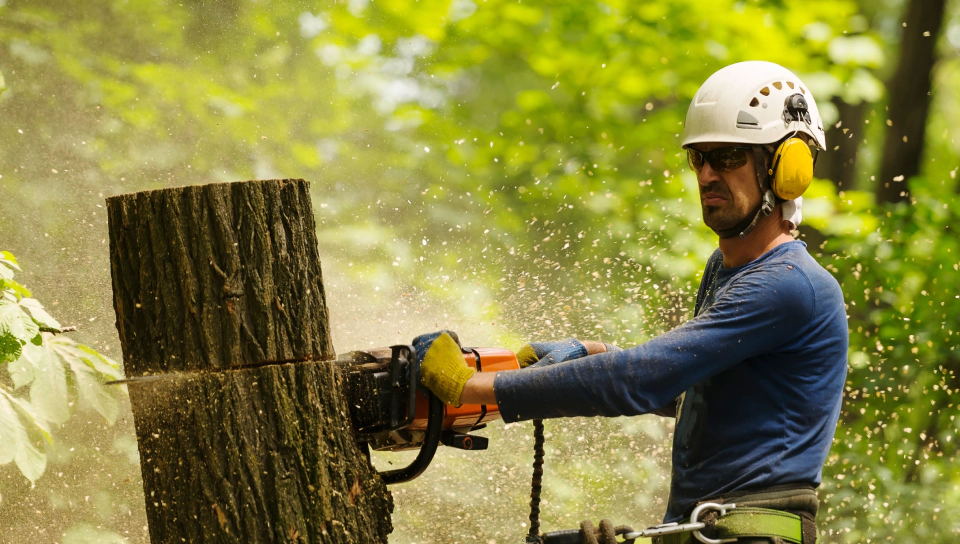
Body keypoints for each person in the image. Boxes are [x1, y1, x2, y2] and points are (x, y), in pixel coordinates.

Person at [413, 61, 847, 543]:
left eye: (725, 157)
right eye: (697, 159)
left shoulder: (790, 285)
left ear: (786, 168)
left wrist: (470, 387)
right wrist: (593, 353)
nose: (705, 175)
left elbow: (641, 378)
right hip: (703, 530)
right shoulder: (724, 270)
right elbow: (700, 394)